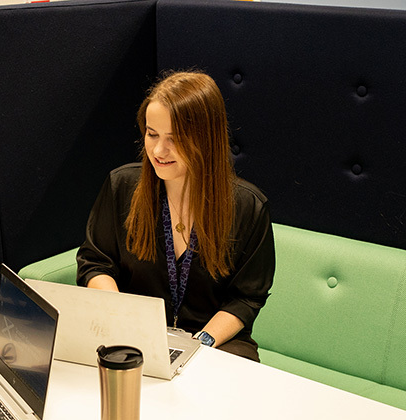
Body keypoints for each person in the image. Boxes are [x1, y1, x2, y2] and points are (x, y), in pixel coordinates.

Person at [77, 71, 275, 362]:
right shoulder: (121, 186)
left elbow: (247, 297)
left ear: (206, 139)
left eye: (175, 139)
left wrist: (200, 345)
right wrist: (121, 318)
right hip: (134, 336)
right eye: (152, 134)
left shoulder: (248, 206)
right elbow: (96, 263)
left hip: (214, 341)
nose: (158, 150)